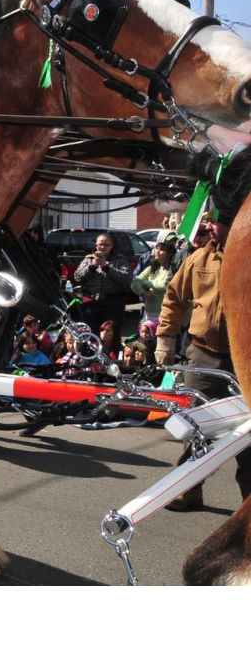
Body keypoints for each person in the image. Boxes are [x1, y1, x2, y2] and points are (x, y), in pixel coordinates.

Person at [155, 214, 250, 510]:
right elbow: (174, 297)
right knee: (196, 427)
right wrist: (165, 338)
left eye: (217, 221)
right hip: (202, 355)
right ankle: (189, 489)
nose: (209, 226)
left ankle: (248, 505)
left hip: (243, 361)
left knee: (247, 436)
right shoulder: (199, 258)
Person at [72, 232, 132, 336]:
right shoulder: (89, 259)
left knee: (111, 337)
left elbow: (126, 279)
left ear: (112, 245)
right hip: (91, 306)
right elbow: (77, 277)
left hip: (113, 306)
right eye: (100, 244)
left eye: (106, 245)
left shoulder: (120, 260)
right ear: (96, 245)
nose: (103, 247)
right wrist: (92, 267)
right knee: (90, 336)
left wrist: (107, 268)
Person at [131, 239, 178, 321]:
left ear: (169, 254)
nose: (157, 251)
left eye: (162, 250)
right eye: (157, 248)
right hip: (149, 312)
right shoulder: (152, 269)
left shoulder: (172, 270)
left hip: (164, 312)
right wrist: (143, 292)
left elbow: (164, 285)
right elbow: (135, 282)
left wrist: (146, 283)